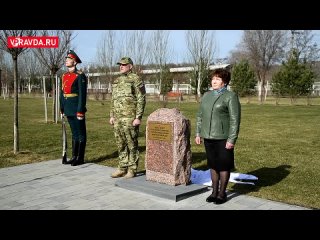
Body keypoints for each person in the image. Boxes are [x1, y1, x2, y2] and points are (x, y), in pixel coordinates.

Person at [195, 68, 241, 204]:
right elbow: (200, 116)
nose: (214, 81)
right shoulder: (207, 95)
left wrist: (231, 139)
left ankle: (222, 194)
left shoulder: (230, 96)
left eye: (218, 79)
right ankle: (214, 192)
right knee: (213, 165)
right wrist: (198, 133)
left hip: (223, 138)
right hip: (208, 137)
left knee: (224, 166)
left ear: (224, 82)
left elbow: (235, 119)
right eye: (213, 78)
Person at [109, 57, 146, 179]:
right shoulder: (117, 81)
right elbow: (113, 99)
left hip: (130, 118)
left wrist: (138, 117)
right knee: (120, 144)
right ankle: (122, 167)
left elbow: (141, 99)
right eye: (120, 65)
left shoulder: (136, 79)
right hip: (118, 119)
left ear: (130, 66)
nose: (121, 66)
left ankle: (132, 169)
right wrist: (112, 116)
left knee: (131, 144)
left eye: (124, 65)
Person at [60, 50, 88, 166]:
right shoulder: (64, 75)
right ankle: (73, 156)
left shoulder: (80, 76)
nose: (66, 60)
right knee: (74, 133)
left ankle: (79, 157)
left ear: (75, 62)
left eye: (69, 59)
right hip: (68, 108)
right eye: (66, 59)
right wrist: (62, 108)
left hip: (77, 108)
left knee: (81, 134)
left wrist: (80, 111)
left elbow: (82, 95)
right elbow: (62, 94)